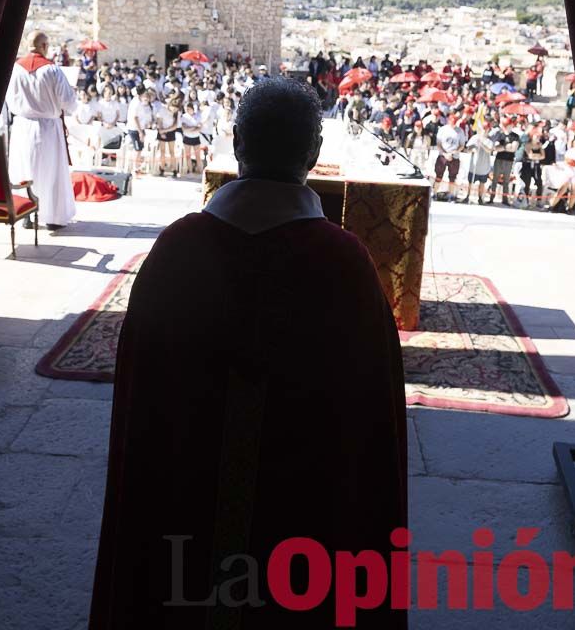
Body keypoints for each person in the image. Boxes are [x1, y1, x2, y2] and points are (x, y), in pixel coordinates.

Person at [90, 77, 407, 630]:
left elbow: (144, 418)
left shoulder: (176, 252)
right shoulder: (344, 266)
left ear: (236, 142)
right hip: (302, 551)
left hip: (178, 527)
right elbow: (367, 431)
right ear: (314, 153)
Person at [4, 30, 77, 230]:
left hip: (22, 127)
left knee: (24, 170)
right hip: (47, 128)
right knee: (50, 172)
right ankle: (52, 217)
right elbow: (69, 102)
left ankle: (27, 213)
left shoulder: (15, 70)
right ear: (44, 46)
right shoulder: (52, 70)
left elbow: (9, 100)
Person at [433, 116, 465, 202]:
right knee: (438, 175)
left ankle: (450, 195)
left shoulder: (460, 131)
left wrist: (454, 152)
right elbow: (438, 144)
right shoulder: (443, 129)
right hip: (443, 155)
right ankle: (434, 193)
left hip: (454, 156)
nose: (453, 125)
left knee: (452, 177)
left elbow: (462, 145)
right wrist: (444, 154)